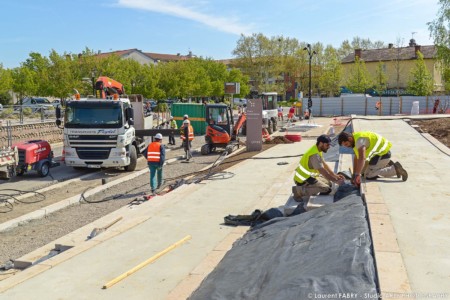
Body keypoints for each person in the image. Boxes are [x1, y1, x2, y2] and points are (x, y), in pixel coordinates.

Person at [337, 131, 408, 186]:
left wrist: (357, 175)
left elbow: (362, 158)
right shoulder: (355, 139)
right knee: (362, 172)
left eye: (346, 144)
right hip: (378, 155)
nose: (346, 147)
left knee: (368, 174)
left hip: (383, 154)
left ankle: (395, 169)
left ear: (350, 139)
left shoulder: (359, 141)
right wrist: (354, 175)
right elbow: (356, 158)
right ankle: (386, 164)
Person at [292, 135, 345, 201]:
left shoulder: (317, 149)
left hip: (310, 177)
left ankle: (311, 188)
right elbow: (322, 171)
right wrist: (335, 180)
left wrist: (335, 175)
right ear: (320, 143)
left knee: (329, 183)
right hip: (303, 179)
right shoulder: (314, 154)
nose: (328, 147)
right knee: (326, 189)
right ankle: (298, 191)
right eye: (327, 145)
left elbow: (324, 164)